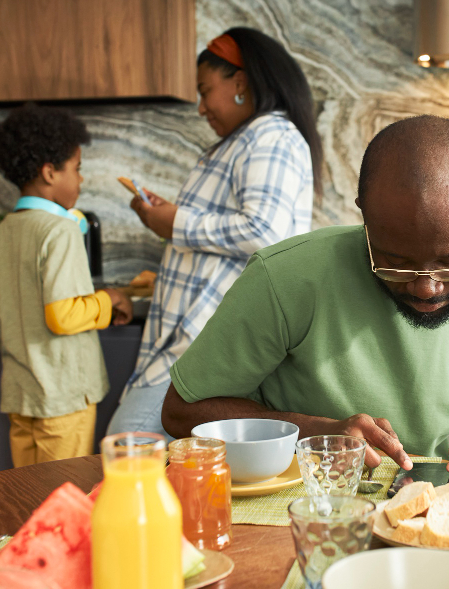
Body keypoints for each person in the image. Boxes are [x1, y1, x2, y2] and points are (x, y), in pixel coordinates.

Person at [162, 115, 449, 487]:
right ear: (364, 216)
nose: (427, 288)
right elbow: (181, 412)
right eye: (396, 262)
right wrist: (320, 434)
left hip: (417, 514)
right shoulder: (284, 279)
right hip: (287, 507)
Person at [107, 27, 323, 438]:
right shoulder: (247, 139)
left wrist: (175, 223)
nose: (202, 107)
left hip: (202, 337)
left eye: (205, 91)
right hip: (192, 337)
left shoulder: (271, 136)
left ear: (240, 82)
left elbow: (264, 231)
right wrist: (169, 219)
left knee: (127, 453)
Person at [0, 104, 133, 467]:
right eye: (76, 169)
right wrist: (109, 299)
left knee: (27, 496)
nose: (81, 180)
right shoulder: (61, 231)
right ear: (49, 172)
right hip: (63, 397)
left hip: (20, 396)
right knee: (63, 496)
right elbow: (63, 315)